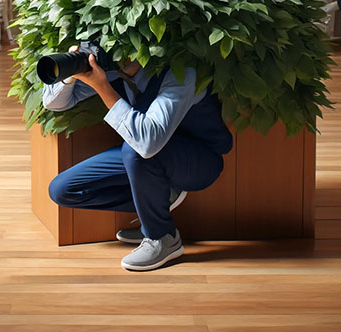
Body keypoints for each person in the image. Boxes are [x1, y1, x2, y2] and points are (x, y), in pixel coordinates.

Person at [43, 48, 233, 271]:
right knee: (63, 189)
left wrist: (102, 87)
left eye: (123, 47)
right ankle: (158, 203)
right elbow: (54, 103)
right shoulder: (114, 70)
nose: (114, 55)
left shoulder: (182, 73)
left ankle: (162, 237)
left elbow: (147, 141)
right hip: (146, 157)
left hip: (197, 160)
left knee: (136, 149)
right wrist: (70, 74)